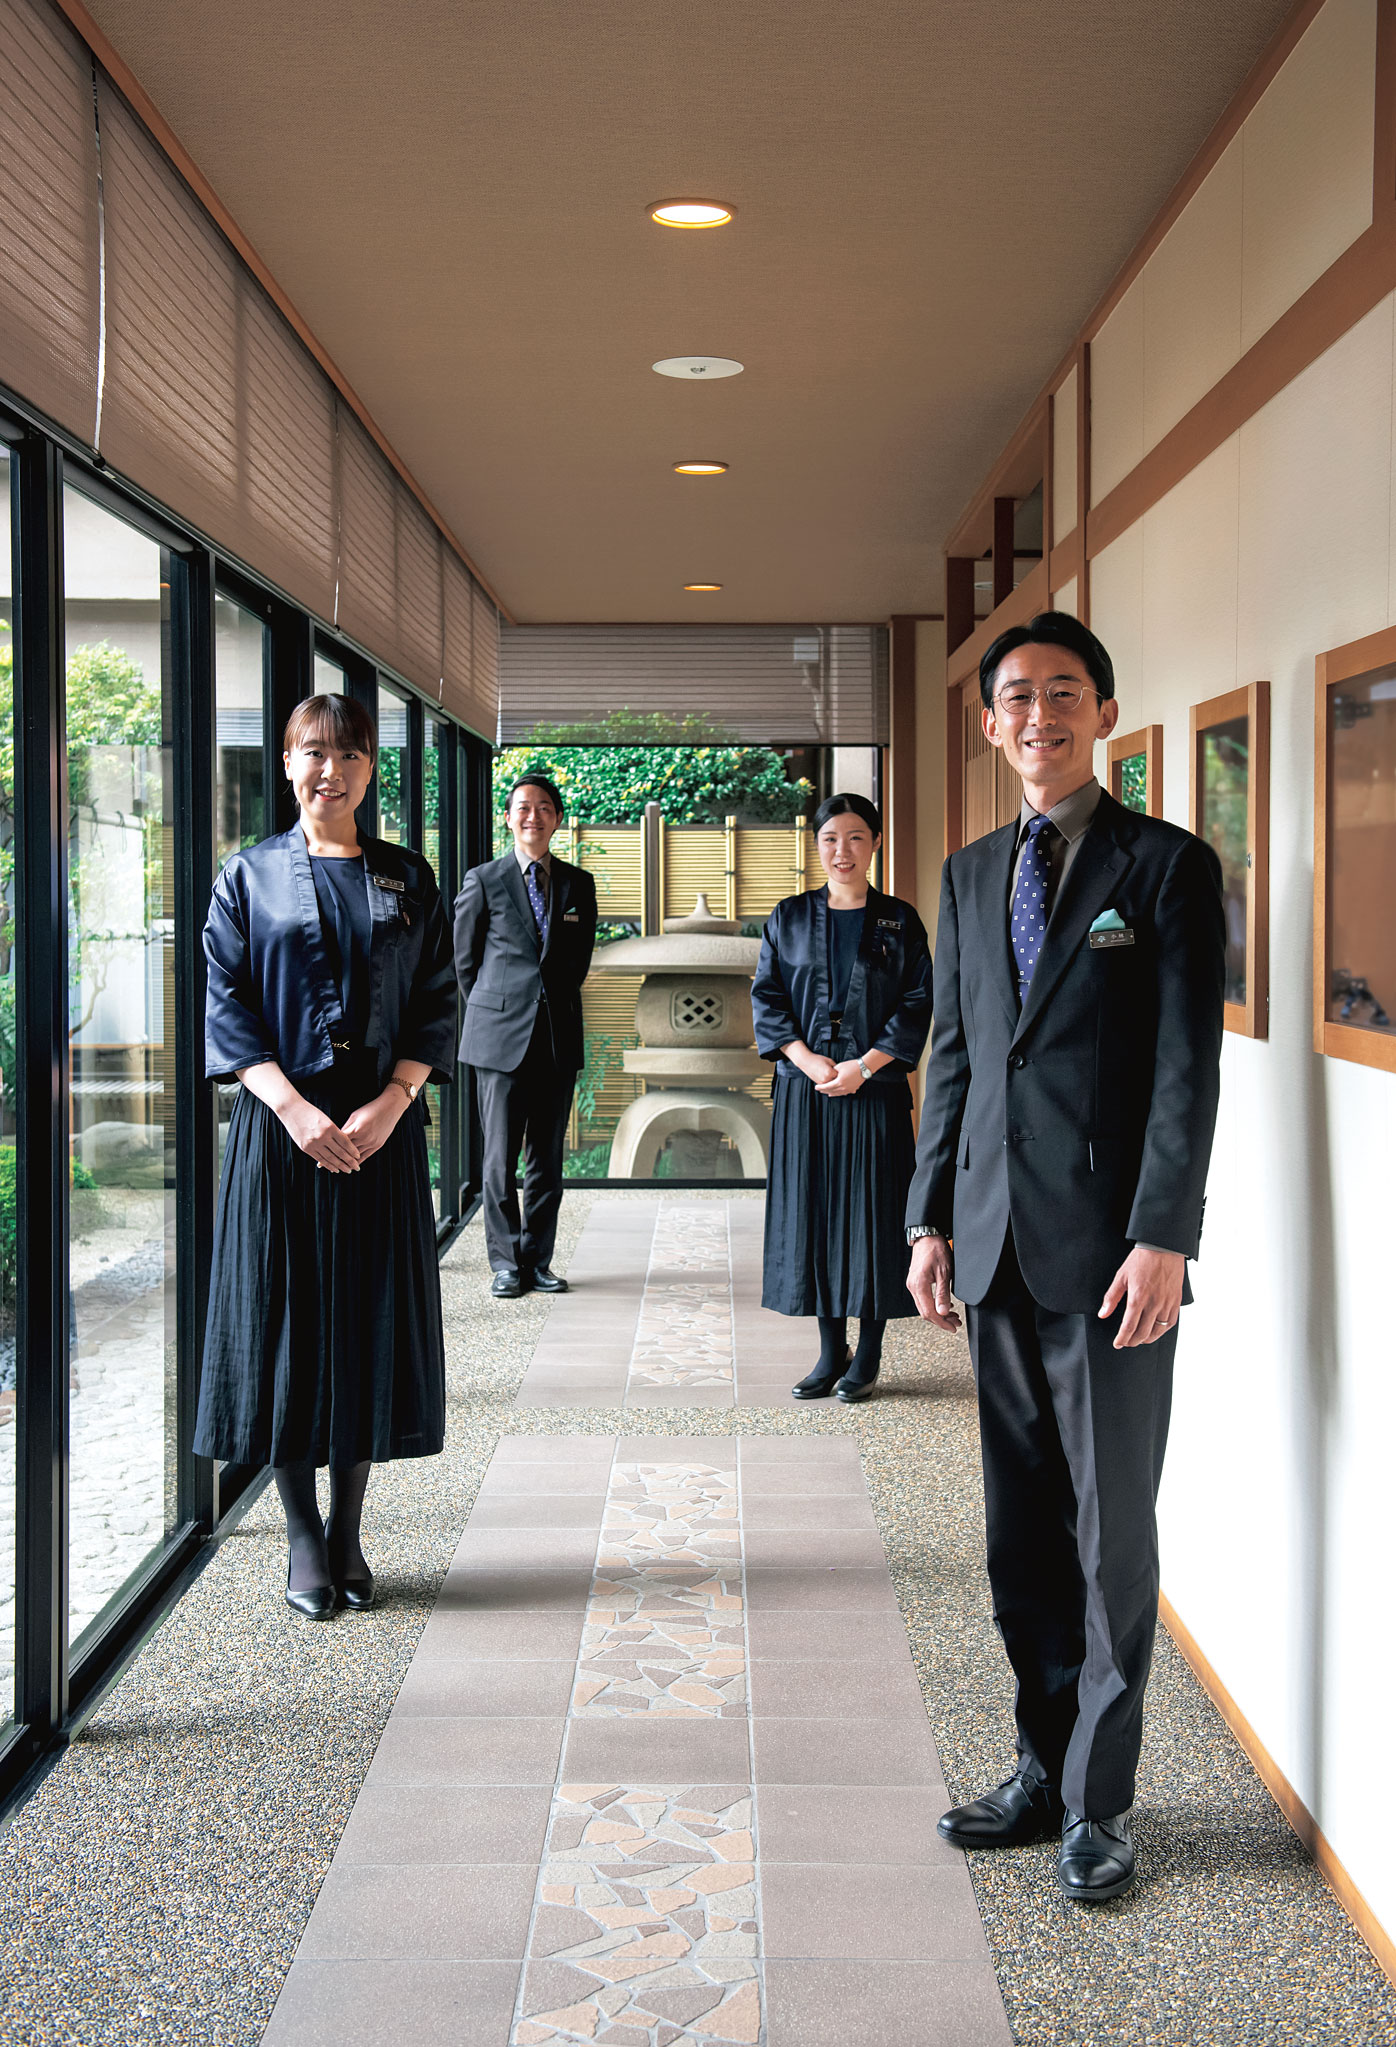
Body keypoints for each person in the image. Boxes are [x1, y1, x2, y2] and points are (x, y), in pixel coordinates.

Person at [906, 611, 1224, 1902]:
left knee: (1109, 1535)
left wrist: (1166, 1233)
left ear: (1103, 713)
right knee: (1019, 1532)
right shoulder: (975, 872)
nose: (1041, 715)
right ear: (991, 724)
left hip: (1109, 1252)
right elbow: (961, 1052)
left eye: (1066, 693)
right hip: (991, 1244)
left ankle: (1102, 1797)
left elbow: (1184, 1070)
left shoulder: (1164, 866)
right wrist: (930, 1215)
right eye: (1019, 697)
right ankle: (1041, 1764)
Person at [194, 694, 457, 1621]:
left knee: (362, 1321)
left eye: (348, 754)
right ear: (287, 762)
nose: (330, 770)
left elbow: (435, 1003)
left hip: (379, 1138)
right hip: (281, 1135)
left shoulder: (407, 878)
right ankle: (304, 1535)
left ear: (371, 770)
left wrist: (392, 1104)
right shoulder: (249, 876)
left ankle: (350, 1527)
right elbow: (226, 1003)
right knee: (287, 1328)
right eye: (314, 752)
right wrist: (295, 1108)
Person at [752, 793, 932, 1401]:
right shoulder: (788, 916)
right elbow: (768, 997)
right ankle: (831, 1351)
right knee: (817, 1215)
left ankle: (871, 1351)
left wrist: (863, 1065)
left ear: (874, 843)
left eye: (856, 838)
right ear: (817, 845)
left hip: (875, 1093)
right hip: (807, 1095)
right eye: (831, 838)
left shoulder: (900, 919)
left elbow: (917, 1004)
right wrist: (805, 1060)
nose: (842, 850)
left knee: (877, 1217)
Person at [453, 772, 598, 1297]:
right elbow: (465, 965)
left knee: (546, 1158)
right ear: (508, 818)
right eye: (523, 808)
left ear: (556, 818)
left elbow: (576, 962)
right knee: (498, 1157)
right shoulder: (483, 880)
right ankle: (504, 1262)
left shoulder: (578, 884)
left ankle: (537, 1259)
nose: (533, 816)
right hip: (498, 1040)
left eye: (544, 807)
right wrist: (500, 1010)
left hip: (556, 1038)